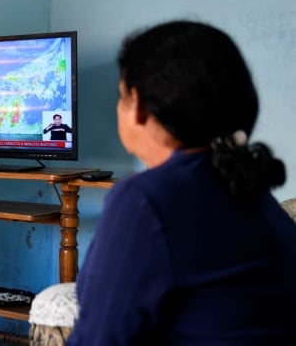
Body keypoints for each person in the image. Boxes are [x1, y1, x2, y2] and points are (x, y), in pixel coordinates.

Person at [67, 21, 296, 345]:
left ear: (139, 105)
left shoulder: (145, 200)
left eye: (120, 96)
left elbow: (99, 339)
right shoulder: (252, 192)